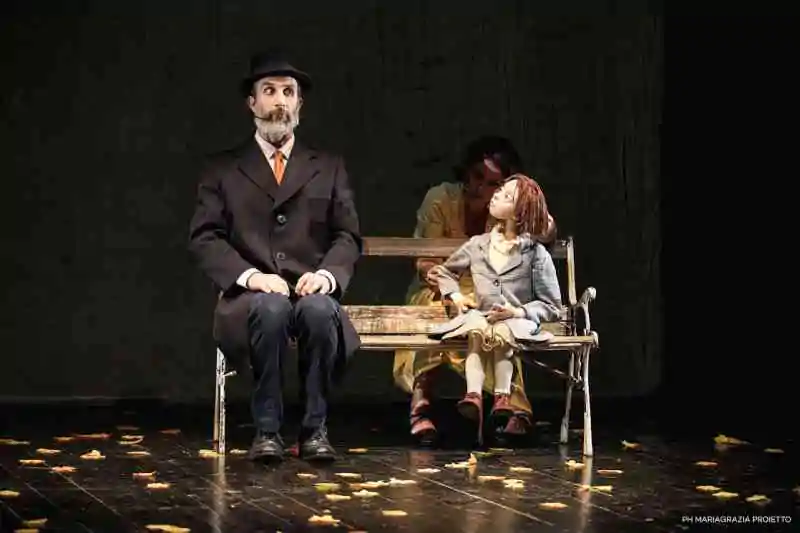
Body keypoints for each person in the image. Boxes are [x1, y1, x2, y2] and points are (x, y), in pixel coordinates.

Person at [188, 52, 362, 462]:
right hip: (250, 297)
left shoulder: (328, 167)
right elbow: (204, 237)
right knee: (269, 308)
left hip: (309, 289)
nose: (279, 100)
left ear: (299, 103)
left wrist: (327, 275)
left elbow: (347, 235)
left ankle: (315, 431)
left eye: (288, 92)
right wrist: (251, 276)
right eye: (269, 91)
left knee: (320, 311)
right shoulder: (223, 169)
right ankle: (267, 432)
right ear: (252, 102)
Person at [392, 136, 558, 445]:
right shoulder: (441, 199)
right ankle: (421, 403)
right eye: (477, 176)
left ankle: (510, 405)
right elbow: (426, 260)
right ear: (466, 171)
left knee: (499, 319)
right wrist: (446, 288)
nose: (481, 187)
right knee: (434, 311)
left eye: (493, 183)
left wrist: (535, 214)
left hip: (488, 294)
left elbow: (545, 231)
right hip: (439, 287)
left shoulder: (505, 212)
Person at [427, 174, 562, 444]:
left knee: (502, 333)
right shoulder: (479, 244)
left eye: (507, 196)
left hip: (515, 320)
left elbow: (551, 306)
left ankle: (502, 398)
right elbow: (444, 271)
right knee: (477, 329)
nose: (497, 194)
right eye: (500, 189)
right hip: (484, 316)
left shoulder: (534, 253)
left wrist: (518, 312)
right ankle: (473, 396)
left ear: (520, 212)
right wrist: (456, 295)